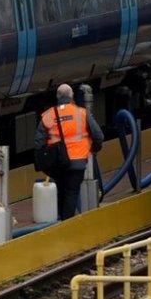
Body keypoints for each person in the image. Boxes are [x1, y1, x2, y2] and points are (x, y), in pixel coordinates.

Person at [34, 83, 104, 220]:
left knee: (60, 192)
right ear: (72, 96)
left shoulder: (48, 116)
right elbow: (98, 135)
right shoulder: (82, 113)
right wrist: (93, 150)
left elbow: (38, 143)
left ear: (57, 97)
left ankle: (62, 220)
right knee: (72, 192)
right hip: (78, 162)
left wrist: (43, 163)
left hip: (57, 164)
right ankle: (67, 223)